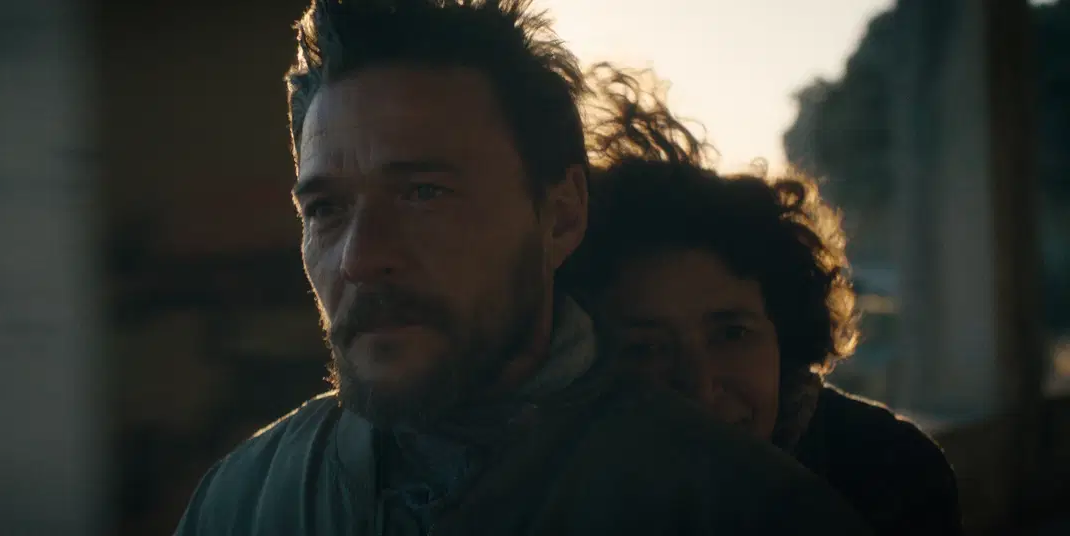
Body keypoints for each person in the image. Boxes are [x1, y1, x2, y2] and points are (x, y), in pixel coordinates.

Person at [174, 2, 875, 535]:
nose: (360, 258)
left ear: (561, 217)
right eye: (326, 209)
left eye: (424, 193)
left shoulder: (746, 508)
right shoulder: (240, 502)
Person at [566, 67, 964, 535]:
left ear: (784, 333)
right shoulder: (559, 496)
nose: (698, 386)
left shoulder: (892, 474)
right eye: (646, 348)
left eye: (731, 334)